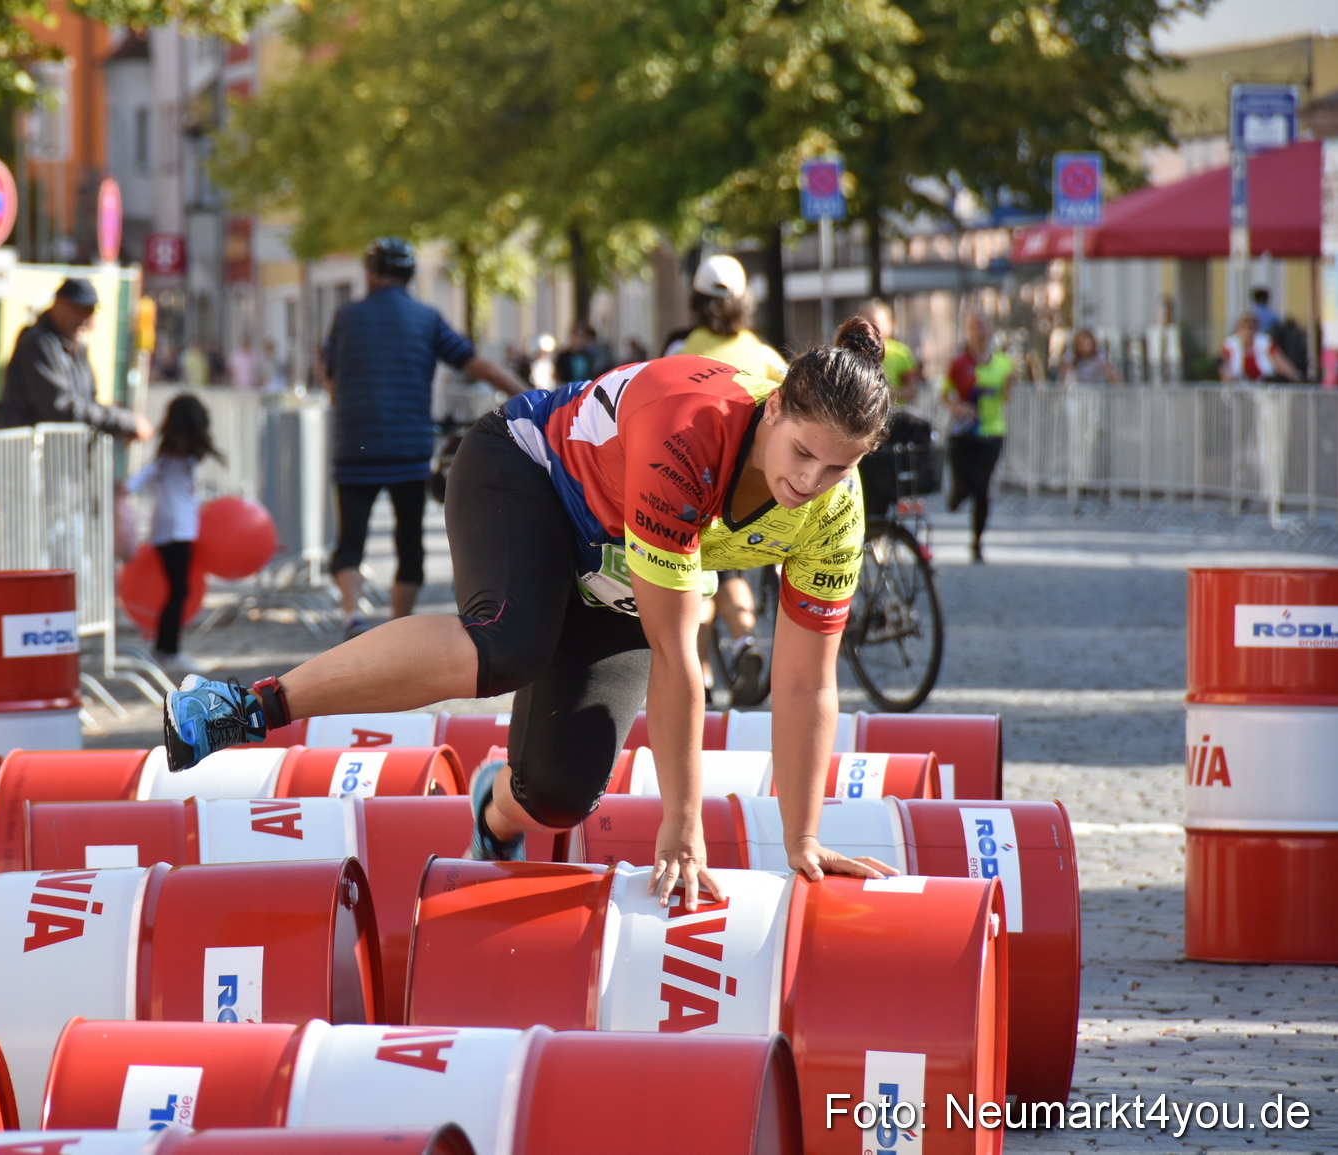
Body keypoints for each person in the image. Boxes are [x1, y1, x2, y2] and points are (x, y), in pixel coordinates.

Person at [163, 318, 900, 903]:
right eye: (802, 452)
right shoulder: (691, 429)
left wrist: (803, 837)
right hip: (528, 474)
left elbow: (806, 683)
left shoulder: (836, 512)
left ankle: (493, 807)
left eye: (839, 467)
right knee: (508, 643)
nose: (811, 480)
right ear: (775, 406)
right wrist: (681, 825)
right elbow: (678, 658)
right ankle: (246, 706)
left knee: (558, 795)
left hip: (613, 566)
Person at [319, 237, 526, 639]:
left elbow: (328, 378)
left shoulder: (345, 317)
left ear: (370, 274)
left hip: (354, 444)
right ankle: (397, 629)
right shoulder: (426, 318)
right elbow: (475, 363)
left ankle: (351, 618)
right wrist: (528, 392)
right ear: (410, 276)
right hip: (407, 448)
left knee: (350, 538)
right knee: (409, 541)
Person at [664, 255, 792, 707]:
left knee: (694, 575)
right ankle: (744, 645)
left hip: (689, 483)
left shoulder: (680, 352)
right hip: (747, 487)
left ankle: (699, 680)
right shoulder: (759, 353)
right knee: (734, 568)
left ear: (696, 301)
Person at [124, 394, 223, 675]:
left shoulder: (177, 457)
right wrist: (126, 489)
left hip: (177, 530)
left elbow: (142, 477)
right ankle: (168, 649)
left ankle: (167, 647)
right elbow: (142, 477)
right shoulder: (171, 460)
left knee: (178, 589)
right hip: (175, 531)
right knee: (179, 590)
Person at [0, 278, 154, 440]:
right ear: (58, 305)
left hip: (63, 458)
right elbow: (60, 407)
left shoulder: (75, 347)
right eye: (79, 309)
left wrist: (121, 422)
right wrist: (121, 421)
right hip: (35, 457)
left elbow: (88, 403)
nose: (86, 318)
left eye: (90, 310)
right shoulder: (39, 343)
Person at [943, 313, 1015, 563]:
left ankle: (977, 542)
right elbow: (945, 394)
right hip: (962, 433)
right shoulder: (958, 362)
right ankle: (957, 495)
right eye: (976, 326)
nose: (981, 331)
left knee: (982, 486)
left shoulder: (1004, 363)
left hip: (992, 431)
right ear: (968, 330)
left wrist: (1010, 385)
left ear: (992, 329)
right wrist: (957, 407)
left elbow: (1007, 398)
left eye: (984, 326)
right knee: (965, 485)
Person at [661, 255, 790, 384]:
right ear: (745, 302)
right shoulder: (762, 352)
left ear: (695, 301)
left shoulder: (678, 348)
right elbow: (794, 386)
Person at [861, 299, 922, 406]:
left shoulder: (901, 352)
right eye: (865, 321)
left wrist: (885, 393)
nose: (869, 327)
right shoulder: (854, 349)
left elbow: (912, 391)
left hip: (893, 415)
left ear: (889, 324)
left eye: (874, 322)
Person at [1217, 312, 1300, 384]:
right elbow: (1224, 366)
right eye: (1244, 328)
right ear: (1238, 329)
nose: (1248, 332)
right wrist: (1227, 377)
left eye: (1252, 328)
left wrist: (1294, 375)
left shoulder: (1265, 342)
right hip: (1238, 386)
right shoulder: (1229, 344)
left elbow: (1280, 362)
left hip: (1263, 385)